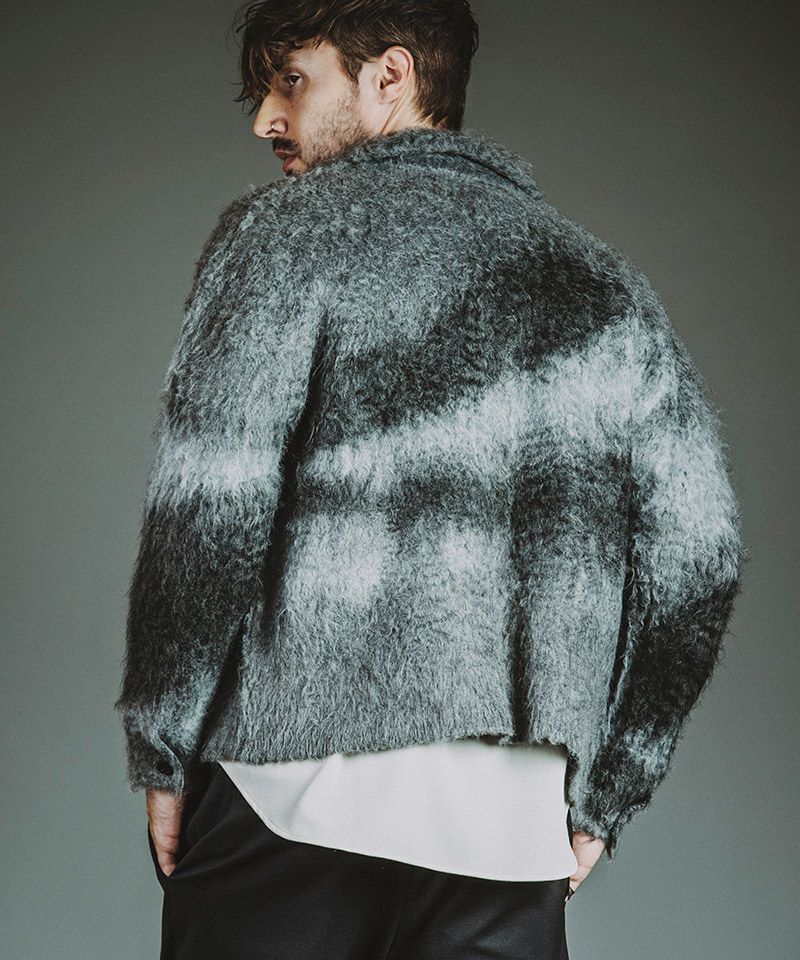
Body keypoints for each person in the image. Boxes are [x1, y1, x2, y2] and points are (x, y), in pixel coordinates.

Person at [114, 2, 744, 958]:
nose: (267, 120)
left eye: (292, 82)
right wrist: (609, 793)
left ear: (391, 76)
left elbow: (209, 513)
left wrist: (161, 752)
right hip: (506, 841)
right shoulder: (604, 287)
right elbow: (700, 561)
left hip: (290, 807)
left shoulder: (282, 237)